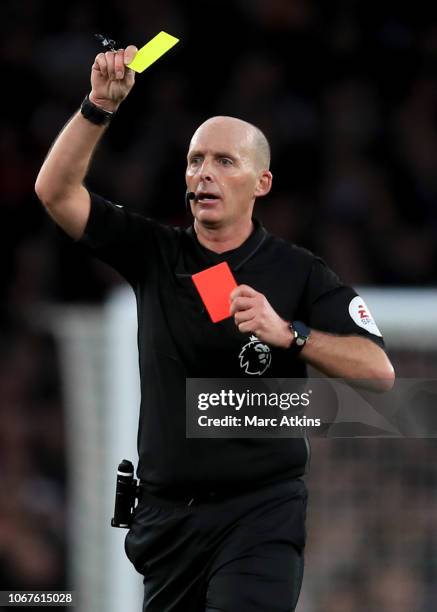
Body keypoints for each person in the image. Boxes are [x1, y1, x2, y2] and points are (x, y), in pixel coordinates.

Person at [35, 46, 395, 612]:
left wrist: (291, 334)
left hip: (260, 512)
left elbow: (379, 371)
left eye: (224, 161)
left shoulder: (298, 272)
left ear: (262, 183)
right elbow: (54, 193)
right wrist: (98, 107)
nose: (204, 172)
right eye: (195, 160)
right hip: (166, 521)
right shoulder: (156, 253)